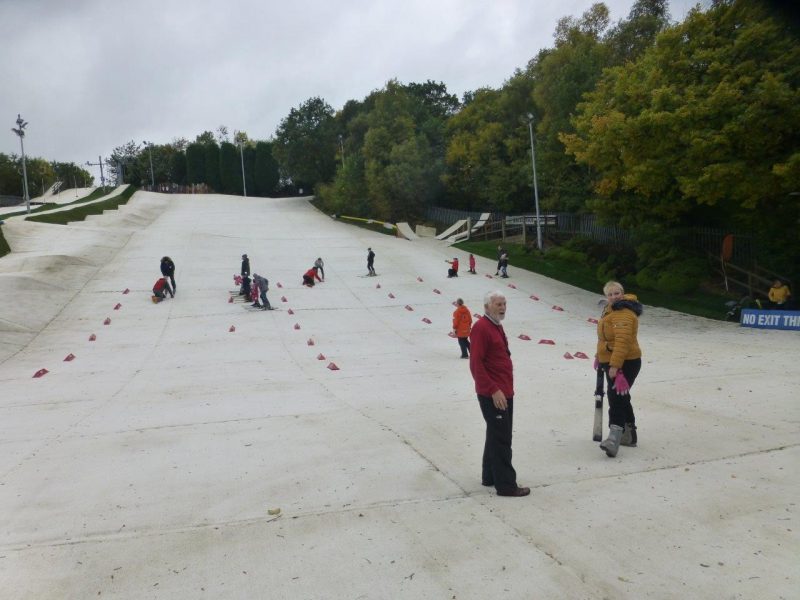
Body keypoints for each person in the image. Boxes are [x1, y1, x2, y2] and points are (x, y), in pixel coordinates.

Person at [469, 291, 529, 497]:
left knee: (494, 434)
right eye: (498, 304)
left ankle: (490, 476)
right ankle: (506, 485)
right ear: (487, 307)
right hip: (494, 393)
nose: (502, 307)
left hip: (504, 390)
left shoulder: (496, 325)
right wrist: (493, 390)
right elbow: (476, 364)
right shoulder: (481, 328)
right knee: (502, 438)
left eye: (504, 303)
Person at [595, 280, 643, 458]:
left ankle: (614, 439)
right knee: (622, 396)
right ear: (606, 296)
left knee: (616, 399)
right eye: (610, 294)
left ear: (622, 293)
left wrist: (615, 365)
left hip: (626, 362)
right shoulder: (610, 310)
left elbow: (622, 342)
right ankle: (629, 435)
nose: (614, 297)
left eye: (617, 293)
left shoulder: (623, 312)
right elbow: (604, 338)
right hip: (614, 360)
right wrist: (598, 356)